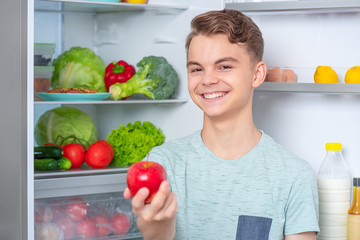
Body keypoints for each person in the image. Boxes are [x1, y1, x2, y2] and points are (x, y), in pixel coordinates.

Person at [124, 9, 319, 240]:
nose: (207, 80)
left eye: (224, 66)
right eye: (197, 69)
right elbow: (153, 232)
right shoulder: (163, 164)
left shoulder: (294, 176)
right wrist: (159, 227)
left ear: (257, 75)